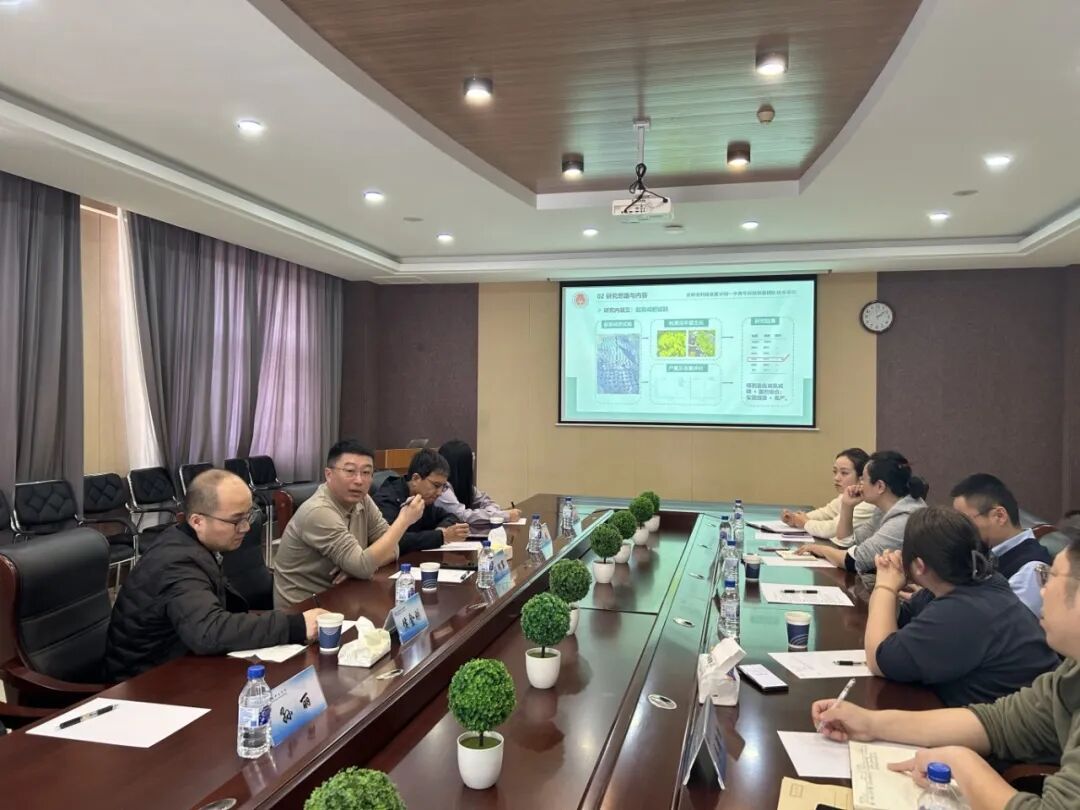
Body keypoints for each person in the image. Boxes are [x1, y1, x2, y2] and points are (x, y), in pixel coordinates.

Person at [811, 524, 1080, 810]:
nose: (1043, 591)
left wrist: (961, 762)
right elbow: (998, 723)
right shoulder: (1071, 673)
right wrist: (870, 723)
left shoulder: (970, 608)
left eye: (1050, 576)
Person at [104, 470, 325, 681]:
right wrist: (295, 626)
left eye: (248, 515)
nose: (246, 527)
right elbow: (208, 631)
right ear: (197, 521)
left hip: (182, 662)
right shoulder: (177, 562)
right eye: (236, 520)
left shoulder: (188, 542)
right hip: (146, 683)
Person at [864, 507, 1058, 707]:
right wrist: (891, 586)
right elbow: (902, 619)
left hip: (1020, 722)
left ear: (920, 566)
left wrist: (885, 585)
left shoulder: (963, 609)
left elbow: (879, 660)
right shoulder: (978, 580)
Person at [273, 439, 426, 607]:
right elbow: (364, 566)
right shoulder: (318, 511)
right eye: (350, 471)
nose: (359, 480)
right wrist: (404, 520)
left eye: (366, 472)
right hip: (304, 609)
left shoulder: (363, 499)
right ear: (328, 474)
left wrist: (359, 567)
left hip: (344, 596)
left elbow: (393, 548)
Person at [797, 450, 928, 573]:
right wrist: (847, 507)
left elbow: (855, 561)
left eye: (863, 479)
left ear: (880, 486)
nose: (859, 484)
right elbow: (848, 544)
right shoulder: (882, 510)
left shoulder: (903, 520)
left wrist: (820, 549)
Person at [951, 473, 1050, 615]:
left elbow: (1003, 622)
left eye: (965, 521)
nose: (961, 529)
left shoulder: (1030, 568)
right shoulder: (985, 555)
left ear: (999, 516)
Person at [374, 448, 469, 554]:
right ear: (415, 479)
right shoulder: (386, 499)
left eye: (443, 487)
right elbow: (392, 541)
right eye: (436, 485)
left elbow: (450, 517)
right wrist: (441, 536)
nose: (440, 493)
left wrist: (441, 529)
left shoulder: (423, 499)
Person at [781, 448, 876, 542]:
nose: (836, 478)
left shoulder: (868, 503)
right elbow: (826, 513)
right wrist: (795, 518)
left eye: (844, 473)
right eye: (835, 472)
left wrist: (805, 522)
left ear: (861, 478)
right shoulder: (847, 495)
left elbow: (832, 529)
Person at [435, 439, 522, 528]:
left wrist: (493, 514)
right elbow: (463, 516)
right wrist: (504, 516)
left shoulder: (464, 484)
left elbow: (487, 501)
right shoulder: (442, 488)